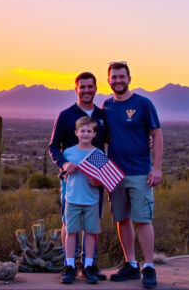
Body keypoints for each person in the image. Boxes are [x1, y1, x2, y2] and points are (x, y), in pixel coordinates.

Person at [103, 62, 163, 289]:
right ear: (108, 81)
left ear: (129, 78)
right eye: (113, 77)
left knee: (143, 219)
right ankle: (130, 263)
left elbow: (156, 135)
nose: (117, 80)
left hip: (140, 172)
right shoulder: (106, 106)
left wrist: (156, 167)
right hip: (114, 173)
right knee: (121, 218)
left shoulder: (143, 104)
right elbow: (107, 137)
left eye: (121, 77)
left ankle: (149, 266)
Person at [47, 72, 107, 281]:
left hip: (94, 182)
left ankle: (89, 264)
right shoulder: (65, 115)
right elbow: (53, 146)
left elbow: (111, 144)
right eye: (82, 87)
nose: (87, 90)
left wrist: (102, 178)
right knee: (69, 224)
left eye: (90, 86)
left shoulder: (102, 115)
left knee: (92, 224)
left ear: (96, 88)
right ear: (76, 89)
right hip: (70, 181)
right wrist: (63, 164)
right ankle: (69, 265)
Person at [60, 117, 104, 284]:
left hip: (91, 200)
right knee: (71, 232)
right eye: (82, 131)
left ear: (94, 134)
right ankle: (69, 265)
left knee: (91, 232)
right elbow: (63, 175)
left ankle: (88, 266)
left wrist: (99, 182)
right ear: (76, 133)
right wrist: (66, 168)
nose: (85, 134)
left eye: (89, 131)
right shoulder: (68, 153)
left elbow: (103, 178)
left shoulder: (98, 154)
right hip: (72, 198)